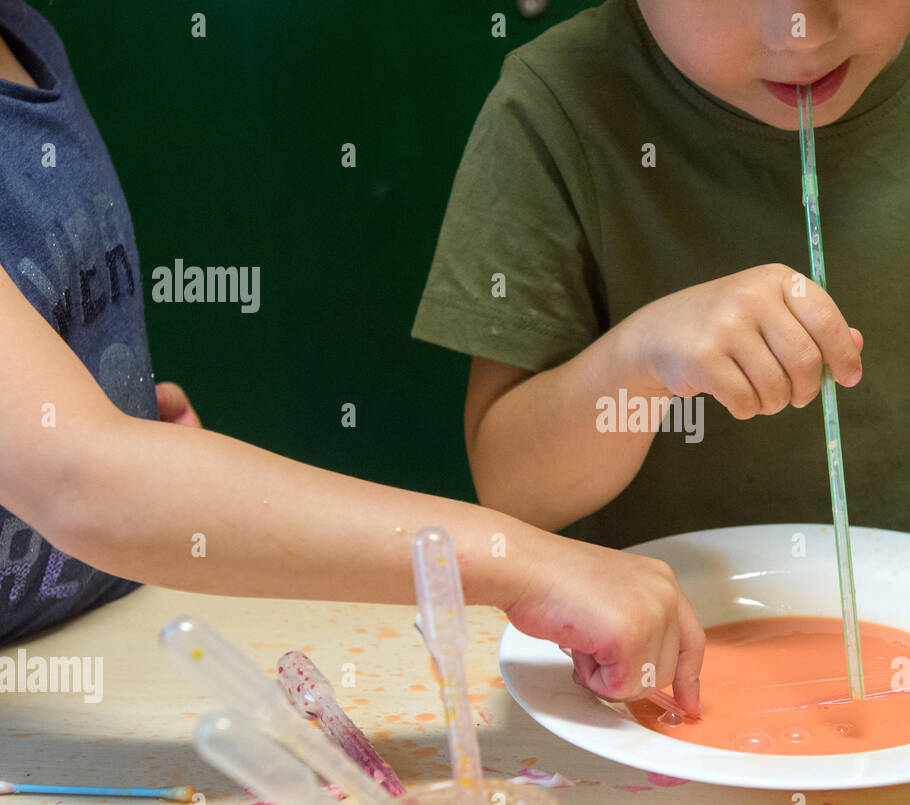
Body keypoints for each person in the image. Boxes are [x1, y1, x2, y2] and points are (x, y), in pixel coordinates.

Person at [0, 0, 703, 714]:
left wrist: (126, 433)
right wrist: (525, 564)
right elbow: (81, 479)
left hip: (110, 636)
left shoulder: (24, 38)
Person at [413, 0, 910, 573]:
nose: (803, 32)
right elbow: (513, 488)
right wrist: (641, 361)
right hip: (659, 668)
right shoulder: (554, 109)